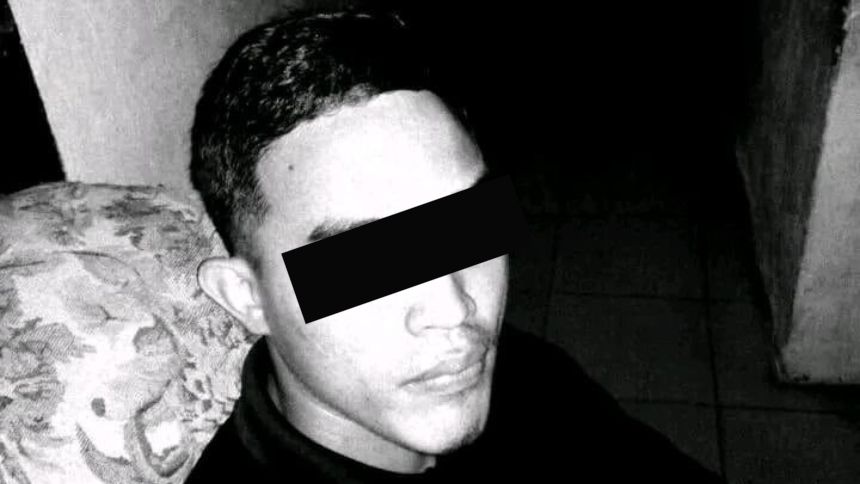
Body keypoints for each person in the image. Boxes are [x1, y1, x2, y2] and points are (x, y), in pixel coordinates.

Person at [185, 9, 725, 483]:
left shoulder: (527, 374)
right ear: (248, 298)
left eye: (467, 228)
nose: (455, 308)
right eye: (367, 259)